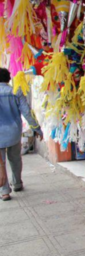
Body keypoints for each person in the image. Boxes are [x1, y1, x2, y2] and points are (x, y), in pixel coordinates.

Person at [0, 67, 43, 201]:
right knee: (15, 159)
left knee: (1, 162)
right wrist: (36, 128)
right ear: (9, 78)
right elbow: (27, 111)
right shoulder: (16, 91)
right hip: (14, 132)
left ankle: (5, 191)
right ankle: (17, 183)